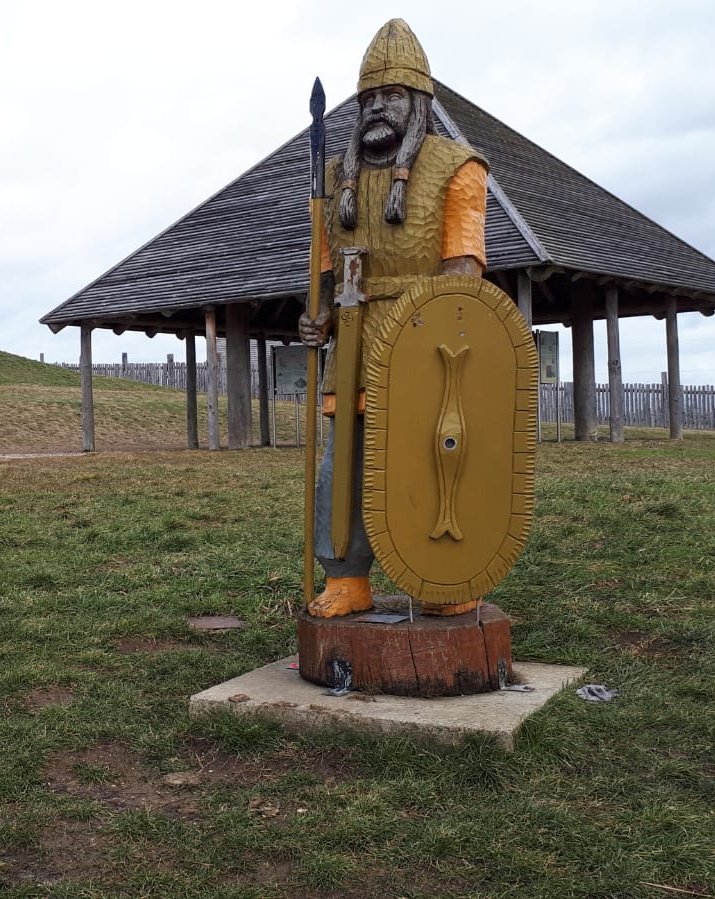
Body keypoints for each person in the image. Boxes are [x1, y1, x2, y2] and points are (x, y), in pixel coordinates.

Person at [298, 18, 490, 618]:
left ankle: (441, 575)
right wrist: (321, 318)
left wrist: (426, 326)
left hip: (426, 351)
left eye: (393, 96)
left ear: (419, 103)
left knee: (428, 465)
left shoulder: (458, 167)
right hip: (351, 348)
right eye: (370, 99)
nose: (379, 108)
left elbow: (463, 268)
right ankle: (347, 578)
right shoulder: (334, 182)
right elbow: (326, 274)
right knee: (343, 471)